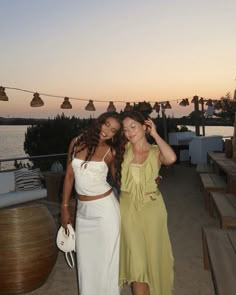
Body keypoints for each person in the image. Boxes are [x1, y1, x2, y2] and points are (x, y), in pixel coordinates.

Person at [61, 112, 123, 295]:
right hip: (83, 212)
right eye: (106, 125)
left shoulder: (110, 151)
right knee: (86, 262)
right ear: (99, 122)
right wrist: (64, 209)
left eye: (113, 131)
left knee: (108, 263)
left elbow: (119, 180)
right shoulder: (76, 143)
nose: (107, 132)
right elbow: (69, 177)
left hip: (106, 212)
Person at [119, 110, 176, 295]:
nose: (129, 132)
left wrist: (156, 135)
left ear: (145, 126)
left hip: (152, 209)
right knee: (137, 263)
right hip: (128, 210)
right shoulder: (123, 149)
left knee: (154, 257)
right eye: (126, 129)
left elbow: (172, 158)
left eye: (133, 127)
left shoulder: (155, 152)